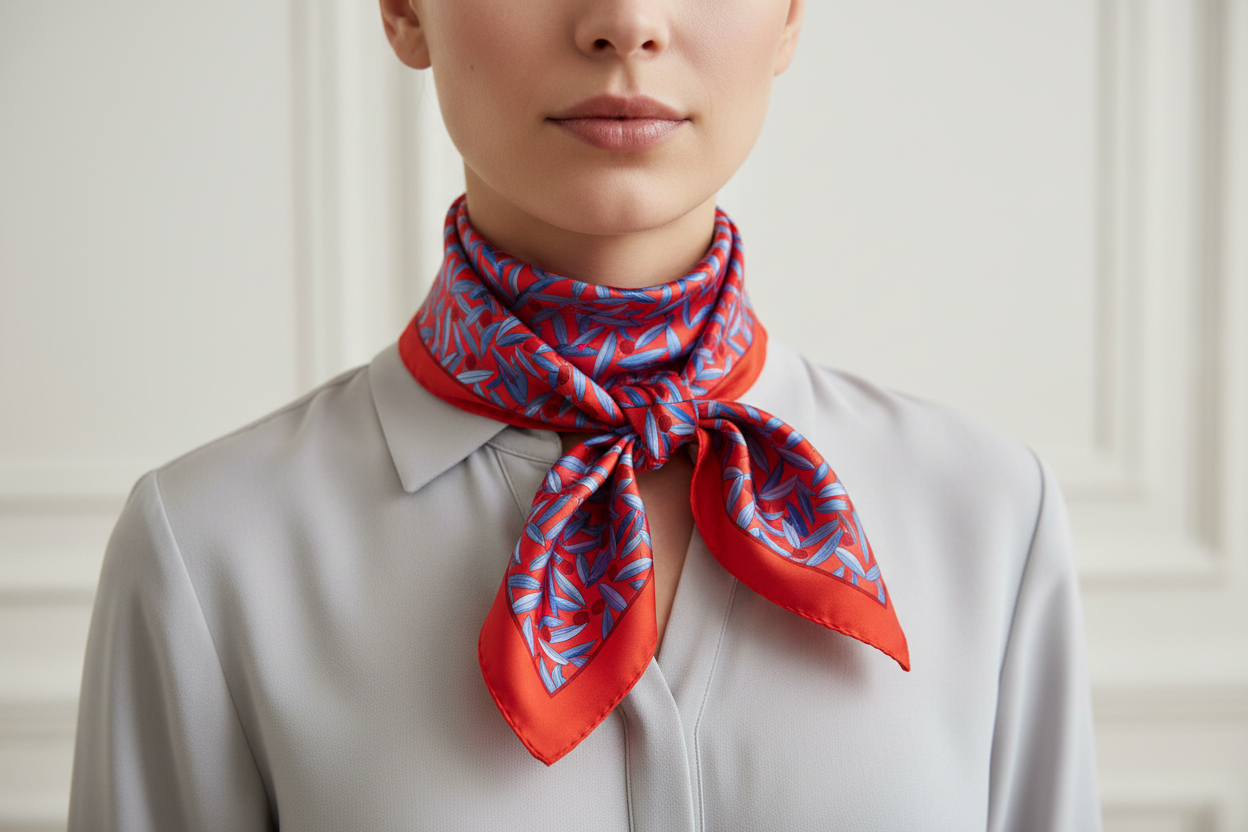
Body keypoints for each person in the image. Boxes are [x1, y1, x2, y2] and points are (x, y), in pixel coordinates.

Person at [68, 0, 1102, 829]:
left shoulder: (991, 517)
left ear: (792, 13)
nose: (626, 21)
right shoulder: (208, 552)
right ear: (401, 10)